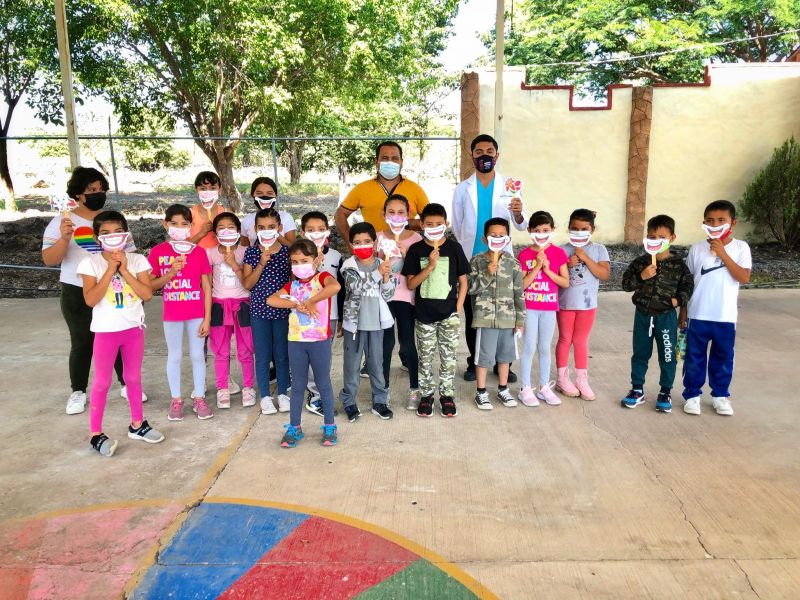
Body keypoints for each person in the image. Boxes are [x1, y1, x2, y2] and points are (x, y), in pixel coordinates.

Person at [42, 166, 140, 415]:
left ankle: (127, 385)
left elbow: (131, 255)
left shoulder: (113, 221)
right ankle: (78, 391)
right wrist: (65, 238)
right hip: (76, 290)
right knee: (82, 341)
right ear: (78, 194)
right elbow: (49, 259)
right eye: (92, 189)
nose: (98, 193)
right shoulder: (62, 222)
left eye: (101, 189)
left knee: (116, 337)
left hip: (114, 289)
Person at [77, 210, 164, 456]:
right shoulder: (90, 263)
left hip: (133, 330)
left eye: (118, 231)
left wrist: (124, 270)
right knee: (102, 382)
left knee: (133, 378)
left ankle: (137, 424)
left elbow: (146, 294)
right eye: (105, 233)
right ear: (97, 238)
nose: (112, 237)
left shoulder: (137, 261)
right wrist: (109, 269)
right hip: (106, 332)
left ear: (126, 235)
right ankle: (95, 433)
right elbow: (90, 300)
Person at [452, 134, 527, 383]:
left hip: (502, 261)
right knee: (475, 314)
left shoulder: (510, 186)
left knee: (505, 313)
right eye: (479, 152)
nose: (484, 155)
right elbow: (458, 225)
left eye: (489, 151)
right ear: (472, 155)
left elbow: (521, 224)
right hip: (473, 260)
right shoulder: (463, 189)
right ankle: (475, 362)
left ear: (497, 155)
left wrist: (518, 213)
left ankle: (503, 363)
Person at [267, 239, 341, 447]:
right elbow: (272, 300)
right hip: (296, 341)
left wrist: (310, 301)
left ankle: (330, 426)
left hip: (319, 341)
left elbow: (335, 287)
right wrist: (295, 304)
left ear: (315, 260)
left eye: (304, 260)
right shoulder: (292, 285)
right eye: (295, 262)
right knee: (298, 384)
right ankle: (295, 427)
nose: (299, 265)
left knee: (323, 382)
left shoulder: (322, 278)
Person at [681, 200, 751, 417]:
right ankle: (692, 395)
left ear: (733, 223)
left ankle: (720, 395)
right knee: (694, 358)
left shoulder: (740, 247)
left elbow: (743, 277)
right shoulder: (697, 248)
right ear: (704, 223)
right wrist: (683, 312)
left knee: (723, 358)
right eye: (710, 221)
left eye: (721, 220)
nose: (715, 224)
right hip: (698, 314)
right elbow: (687, 283)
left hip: (725, 316)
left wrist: (722, 253)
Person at [402, 203, 470, 417]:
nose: (433, 227)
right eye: (429, 224)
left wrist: (457, 308)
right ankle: (427, 396)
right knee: (425, 357)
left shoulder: (454, 248)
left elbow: (463, 281)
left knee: (449, 357)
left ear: (446, 224)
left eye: (438, 224)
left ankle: (447, 395)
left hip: (449, 314)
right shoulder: (416, 250)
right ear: (422, 225)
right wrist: (430, 266)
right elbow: (411, 284)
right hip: (424, 316)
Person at [621, 215, 693, 413]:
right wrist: (641, 276)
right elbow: (626, 284)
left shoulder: (678, 266)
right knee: (640, 354)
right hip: (643, 316)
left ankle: (665, 391)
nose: (656, 241)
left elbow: (687, 286)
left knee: (668, 356)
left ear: (672, 238)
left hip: (666, 318)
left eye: (662, 237)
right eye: (652, 237)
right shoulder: (640, 262)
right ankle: (637, 389)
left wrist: (677, 301)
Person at [148, 204, 214, 421]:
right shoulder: (158, 252)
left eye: (184, 224)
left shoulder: (199, 252)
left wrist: (207, 318)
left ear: (191, 227)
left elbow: (207, 287)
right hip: (172, 314)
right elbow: (150, 285)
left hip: (196, 313)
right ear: (165, 224)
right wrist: (171, 272)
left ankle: (199, 397)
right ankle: (176, 399)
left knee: (197, 355)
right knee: (174, 355)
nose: (179, 228)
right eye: (174, 223)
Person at [338, 222, 397, 422]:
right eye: (357, 242)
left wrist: (386, 277)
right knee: (352, 365)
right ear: (351, 245)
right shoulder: (348, 266)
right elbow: (356, 288)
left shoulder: (383, 263)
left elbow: (388, 295)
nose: (362, 245)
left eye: (367, 241)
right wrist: (378, 273)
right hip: (354, 325)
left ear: (375, 242)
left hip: (376, 324)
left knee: (376, 365)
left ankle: (380, 401)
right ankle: (349, 401)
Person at [468, 218, 526, 410]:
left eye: (502, 235)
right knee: (483, 357)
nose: (498, 238)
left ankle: (503, 389)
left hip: (508, 319)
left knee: (505, 357)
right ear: (485, 239)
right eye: (493, 235)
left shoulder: (513, 263)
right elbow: (470, 289)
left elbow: (519, 292)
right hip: (485, 319)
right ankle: (481, 392)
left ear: (507, 239)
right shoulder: (477, 261)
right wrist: (486, 273)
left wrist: (520, 319)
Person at [556, 209, 611, 401]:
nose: (579, 232)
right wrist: (567, 264)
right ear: (568, 228)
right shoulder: (561, 250)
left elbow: (604, 274)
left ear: (592, 230)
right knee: (565, 339)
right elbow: (553, 276)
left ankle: (581, 380)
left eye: (584, 229)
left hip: (588, 305)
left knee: (581, 341)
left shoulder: (599, 250)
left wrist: (586, 258)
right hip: (565, 304)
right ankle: (562, 379)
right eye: (575, 228)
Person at [242, 208, 292, 415]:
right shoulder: (252, 252)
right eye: (261, 227)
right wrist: (261, 263)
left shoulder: (287, 252)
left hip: (282, 312)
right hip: (259, 312)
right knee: (262, 355)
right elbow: (247, 284)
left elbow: (293, 281)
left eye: (271, 227)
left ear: (279, 228)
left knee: (282, 355)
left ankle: (283, 393)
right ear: (255, 229)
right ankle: (265, 396)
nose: (266, 231)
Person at [377, 194, 424, 410]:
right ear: (384, 214)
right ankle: (383, 389)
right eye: (391, 212)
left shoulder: (416, 239)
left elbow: (422, 269)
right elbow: (372, 267)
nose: (396, 217)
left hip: (406, 297)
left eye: (401, 212)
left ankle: (414, 388)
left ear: (408, 215)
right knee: (386, 344)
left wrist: (408, 256)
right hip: (384, 298)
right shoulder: (378, 237)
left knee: (407, 343)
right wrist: (381, 264)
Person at [518, 211, 570, 406]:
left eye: (545, 230)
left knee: (544, 347)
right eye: (537, 230)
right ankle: (525, 387)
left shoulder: (559, 253)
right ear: (530, 231)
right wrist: (537, 266)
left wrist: (547, 269)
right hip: (530, 307)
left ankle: (543, 387)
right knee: (529, 347)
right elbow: (522, 284)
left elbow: (565, 282)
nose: (541, 234)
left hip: (549, 308)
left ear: (552, 230)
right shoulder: (525, 254)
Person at [206, 213, 256, 409]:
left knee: (245, 349)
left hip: (243, 304)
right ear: (215, 233)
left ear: (238, 231)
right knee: (220, 350)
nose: (226, 231)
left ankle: (248, 387)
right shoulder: (210, 253)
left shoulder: (246, 252)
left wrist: (235, 264)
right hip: (219, 305)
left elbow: (249, 279)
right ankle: (222, 388)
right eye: (221, 228)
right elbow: (207, 283)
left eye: (231, 227)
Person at [334, 141, 429, 243]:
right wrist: (350, 243)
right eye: (384, 158)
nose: (390, 162)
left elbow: (432, 220)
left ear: (401, 162)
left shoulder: (415, 189)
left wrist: (406, 223)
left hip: (408, 249)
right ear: (376, 162)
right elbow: (340, 214)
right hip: (374, 249)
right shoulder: (361, 189)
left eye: (394, 158)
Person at [299, 211, 344, 416]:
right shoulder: (298, 256)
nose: (316, 233)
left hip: (329, 315)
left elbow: (341, 288)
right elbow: (294, 284)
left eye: (320, 229)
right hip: (305, 314)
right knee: (309, 356)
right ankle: (314, 396)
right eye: (310, 230)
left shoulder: (335, 256)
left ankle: (321, 392)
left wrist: (340, 316)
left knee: (324, 357)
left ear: (328, 231)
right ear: (302, 233)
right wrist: (311, 267)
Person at [241, 176, 297, 247]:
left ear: (275, 195)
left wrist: (275, 234)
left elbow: (294, 248)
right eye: (259, 193)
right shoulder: (246, 221)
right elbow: (245, 248)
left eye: (269, 193)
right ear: (253, 196)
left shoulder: (286, 218)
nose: (265, 197)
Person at [188, 171, 225, 248]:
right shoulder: (189, 214)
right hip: (195, 255)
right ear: (196, 190)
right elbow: (183, 246)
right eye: (203, 189)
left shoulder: (225, 213)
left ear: (220, 189)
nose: (208, 192)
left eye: (213, 188)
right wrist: (202, 232)